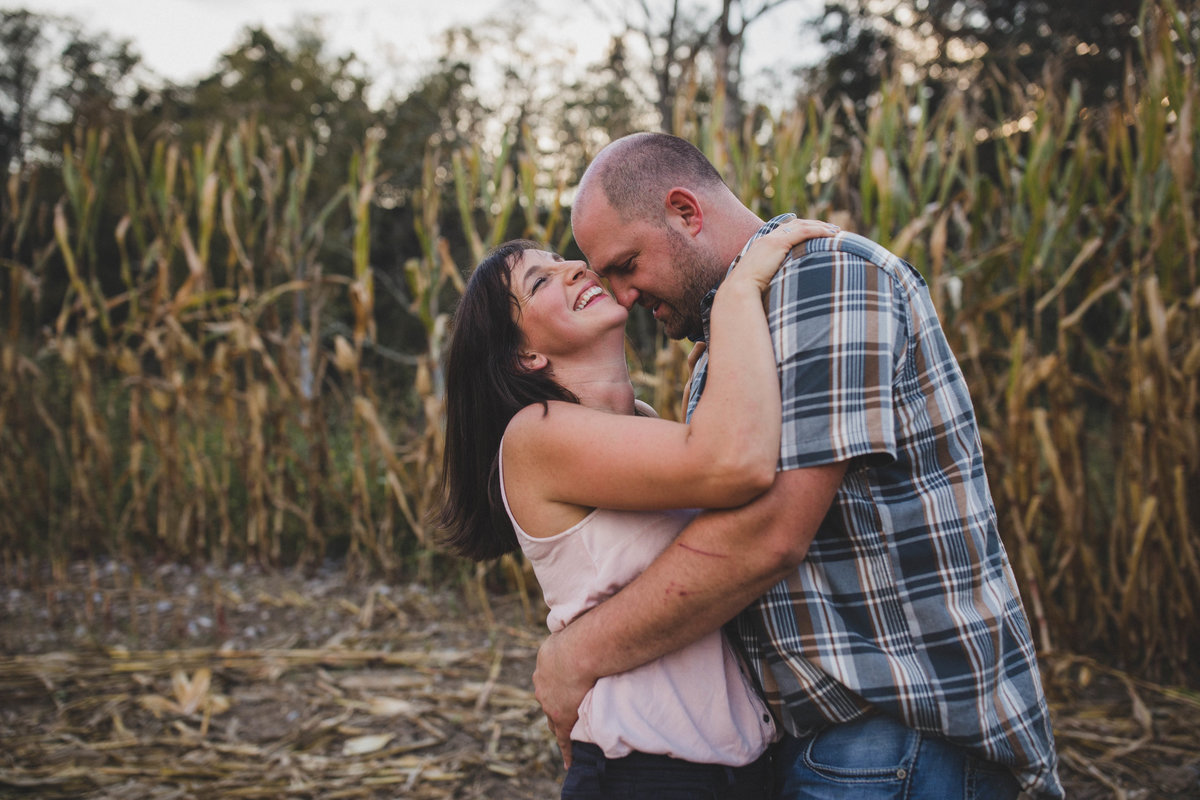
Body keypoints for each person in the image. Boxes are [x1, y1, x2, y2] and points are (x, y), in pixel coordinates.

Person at [533, 132, 1065, 799]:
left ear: (685, 212)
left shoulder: (819, 280)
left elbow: (769, 534)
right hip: (849, 748)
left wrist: (574, 655)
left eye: (626, 263)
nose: (623, 295)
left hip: (895, 745)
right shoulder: (743, 326)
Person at [436, 220, 838, 798]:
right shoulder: (534, 437)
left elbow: (744, 503)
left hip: (744, 768)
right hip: (646, 770)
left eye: (564, 258)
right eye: (540, 279)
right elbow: (735, 463)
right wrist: (739, 290)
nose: (576, 267)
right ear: (523, 354)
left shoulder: (643, 423)